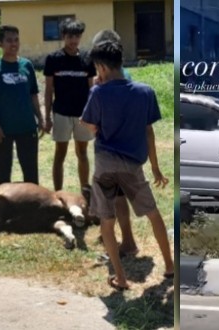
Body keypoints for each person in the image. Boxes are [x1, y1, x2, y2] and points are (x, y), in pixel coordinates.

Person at [80, 39, 174, 290]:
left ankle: (121, 278)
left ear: (101, 67)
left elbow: (90, 126)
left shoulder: (98, 92)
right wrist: (155, 167)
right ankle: (169, 265)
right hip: (133, 165)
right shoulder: (145, 92)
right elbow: (149, 132)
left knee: (107, 221)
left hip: (105, 164)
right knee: (153, 213)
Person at [90, 29, 137, 258]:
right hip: (123, 147)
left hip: (112, 149)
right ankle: (116, 237)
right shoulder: (122, 75)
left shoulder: (112, 78)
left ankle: (126, 241)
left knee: (113, 198)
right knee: (117, 196)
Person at [0, 25, 43, 185]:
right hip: (3, 130)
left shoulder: (27, 65)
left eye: (16, 40)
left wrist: (41, 119)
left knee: (31, 172)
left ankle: (32, 206)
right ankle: (4, 208)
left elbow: (33, 94)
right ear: (0, 43)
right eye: (9, 40)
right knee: (2, 173)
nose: (13, 44)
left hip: (27, 127)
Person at [43, 18, 94, 194]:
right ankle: (58, 194)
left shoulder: (87, 59)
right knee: (60, 154)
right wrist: (47, 116)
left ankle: (85, 191)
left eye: (77, 36)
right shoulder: (53, 59)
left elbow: (92, 89)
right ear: (63, 36)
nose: (74, 40)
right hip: (61, 113)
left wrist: (94, 114)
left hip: (83, 115)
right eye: (70, 36)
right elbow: (49, 89)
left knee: (83, 153)